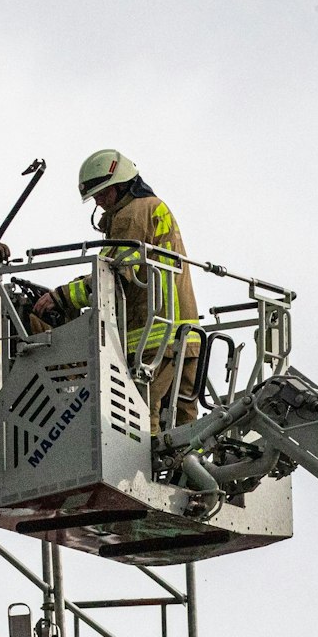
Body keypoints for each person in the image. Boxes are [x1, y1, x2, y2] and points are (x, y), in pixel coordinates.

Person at [32, 149, 202, 434]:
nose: (98, 201)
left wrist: (61, 297)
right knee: (185, 428)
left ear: (121, 186)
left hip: (153, 342)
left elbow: (112, 275)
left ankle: (142, 479)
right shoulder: (152, 207)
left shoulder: (130, 215)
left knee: (142, 419)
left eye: (102, 194)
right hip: (185, 336)